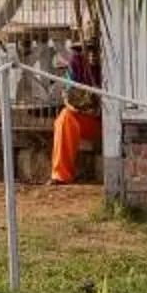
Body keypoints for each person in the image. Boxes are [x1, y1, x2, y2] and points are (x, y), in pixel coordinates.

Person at [50, 37, 103, 186]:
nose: (92, 54)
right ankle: (60, 175)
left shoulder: (113, 65)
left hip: (110, 121)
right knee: (65, 118)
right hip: (87, 118)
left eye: (96, 49)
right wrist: (83, 106)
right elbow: (68, 97)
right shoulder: (76, 64)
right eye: (88, 49)